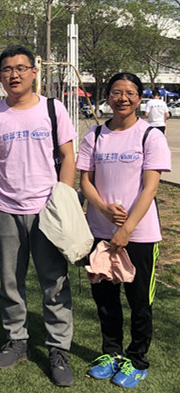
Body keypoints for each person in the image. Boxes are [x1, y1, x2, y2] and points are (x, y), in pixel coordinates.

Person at [0, 45, 76, 387]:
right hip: (6, 209)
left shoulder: (52, 109)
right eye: (7, 69)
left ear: (34, 72)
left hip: (47, 210)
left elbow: (68, 157)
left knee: (54, 282)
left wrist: (63, 201)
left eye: (21, 68)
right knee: (10, 281)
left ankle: (58, 348)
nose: (14, 75)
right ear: (0, 75)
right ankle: (16, 340)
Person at [77, 73, 171, 389]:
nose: (123, 98)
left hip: (140, 234)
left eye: (130, 93)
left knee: (139, 301)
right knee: (105, 299)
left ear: (139, 97)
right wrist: (103, 209)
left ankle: (137, 360)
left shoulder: (150, 136)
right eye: (116, 92)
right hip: (100, 231)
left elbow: (150, 188)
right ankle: (111, 353)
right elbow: (85, 180)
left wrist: (127, 229)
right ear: (108, 97)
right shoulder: (95, 135)